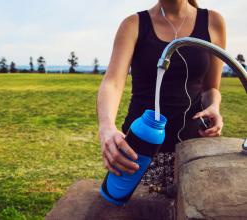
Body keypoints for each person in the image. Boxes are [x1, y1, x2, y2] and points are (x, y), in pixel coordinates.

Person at [96, 0, 225, 193]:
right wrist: (106, 127)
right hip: (141, 151)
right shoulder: (133, 24)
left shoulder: (213, 21)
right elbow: (112, 82)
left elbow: (211, 88)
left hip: (195, 149)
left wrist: (213, 106)